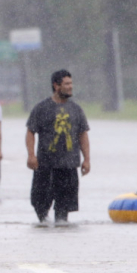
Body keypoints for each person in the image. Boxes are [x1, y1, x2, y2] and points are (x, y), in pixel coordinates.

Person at [25, 69, 91, 225]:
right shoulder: (42, 108)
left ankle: (61, 235)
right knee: (40, 204)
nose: (70, 87)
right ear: (56, 85)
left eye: (71, 83)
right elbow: (30, 132)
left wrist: (87, 159)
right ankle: (45, 229)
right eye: (66, 84)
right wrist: (31, 156)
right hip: (45, 165)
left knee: (63, 212)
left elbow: (83, 134)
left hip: (68, 166)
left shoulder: (76, 109)